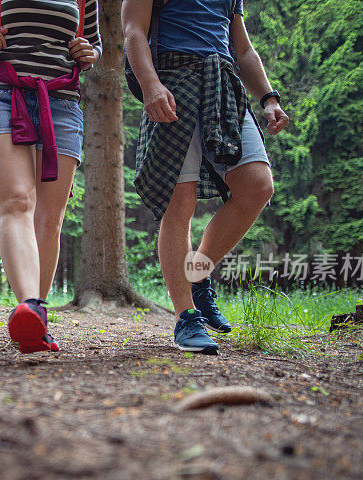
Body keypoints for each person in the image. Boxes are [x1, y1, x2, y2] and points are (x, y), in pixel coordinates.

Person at [122, 0, 289, 354]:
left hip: (224, 84)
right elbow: (133, 29)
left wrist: (269, 98)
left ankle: (198, 273)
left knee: (257, 185)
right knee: (179, 200)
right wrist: (150, 85)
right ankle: (187, 317)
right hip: (173, 81)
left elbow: (242, 49)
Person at [0, 0, 100, 353]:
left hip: (62, 101)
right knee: (17, 200)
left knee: (50, 219)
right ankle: (30, 306)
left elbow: (94, 44)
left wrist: (89, 53)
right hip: (1, 94)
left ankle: (36, 317)